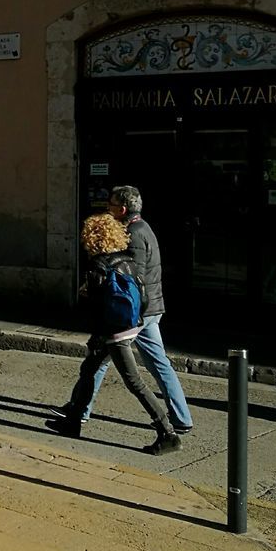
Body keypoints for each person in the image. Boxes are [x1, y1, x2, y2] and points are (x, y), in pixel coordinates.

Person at [53, 184, 193, 437]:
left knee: (128, 368)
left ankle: (170, 424)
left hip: (137, 311)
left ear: (123, 209)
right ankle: (179, 417)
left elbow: (132, 277)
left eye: (112, 205)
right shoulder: (142, 227)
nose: (108, 208)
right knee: (107, 363)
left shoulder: (135, 233)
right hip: (147, 308)